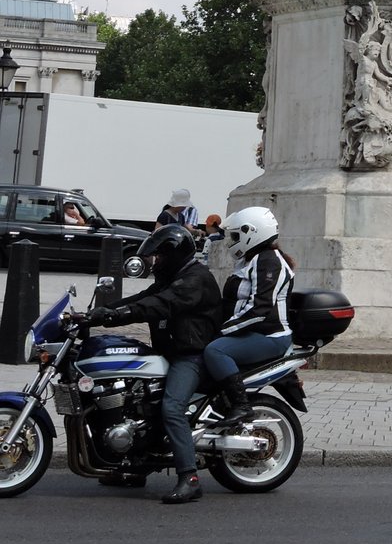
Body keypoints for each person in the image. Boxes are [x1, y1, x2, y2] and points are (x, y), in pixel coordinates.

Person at [85, 224, 222, 504]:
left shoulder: (194, 279)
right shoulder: (172, 277)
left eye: (156, 257)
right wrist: (100, 312)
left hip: (191, 356)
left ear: (172, 255)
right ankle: (134, 465)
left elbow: (159, 304)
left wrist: (113, 316)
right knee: (138, 400)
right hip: (168, 352)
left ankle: (190, 478)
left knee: (172, 408)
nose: (152, 262)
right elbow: (143, 299)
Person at [205, 206, 295, 429]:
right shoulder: (251, 260)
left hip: (270, 335)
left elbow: (259, 308)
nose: (232, 241)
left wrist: (223, 330)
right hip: (253, 332)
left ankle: (241, 405)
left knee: (215, 351)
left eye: (236, 236)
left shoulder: (269, 261)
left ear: (251, 232)